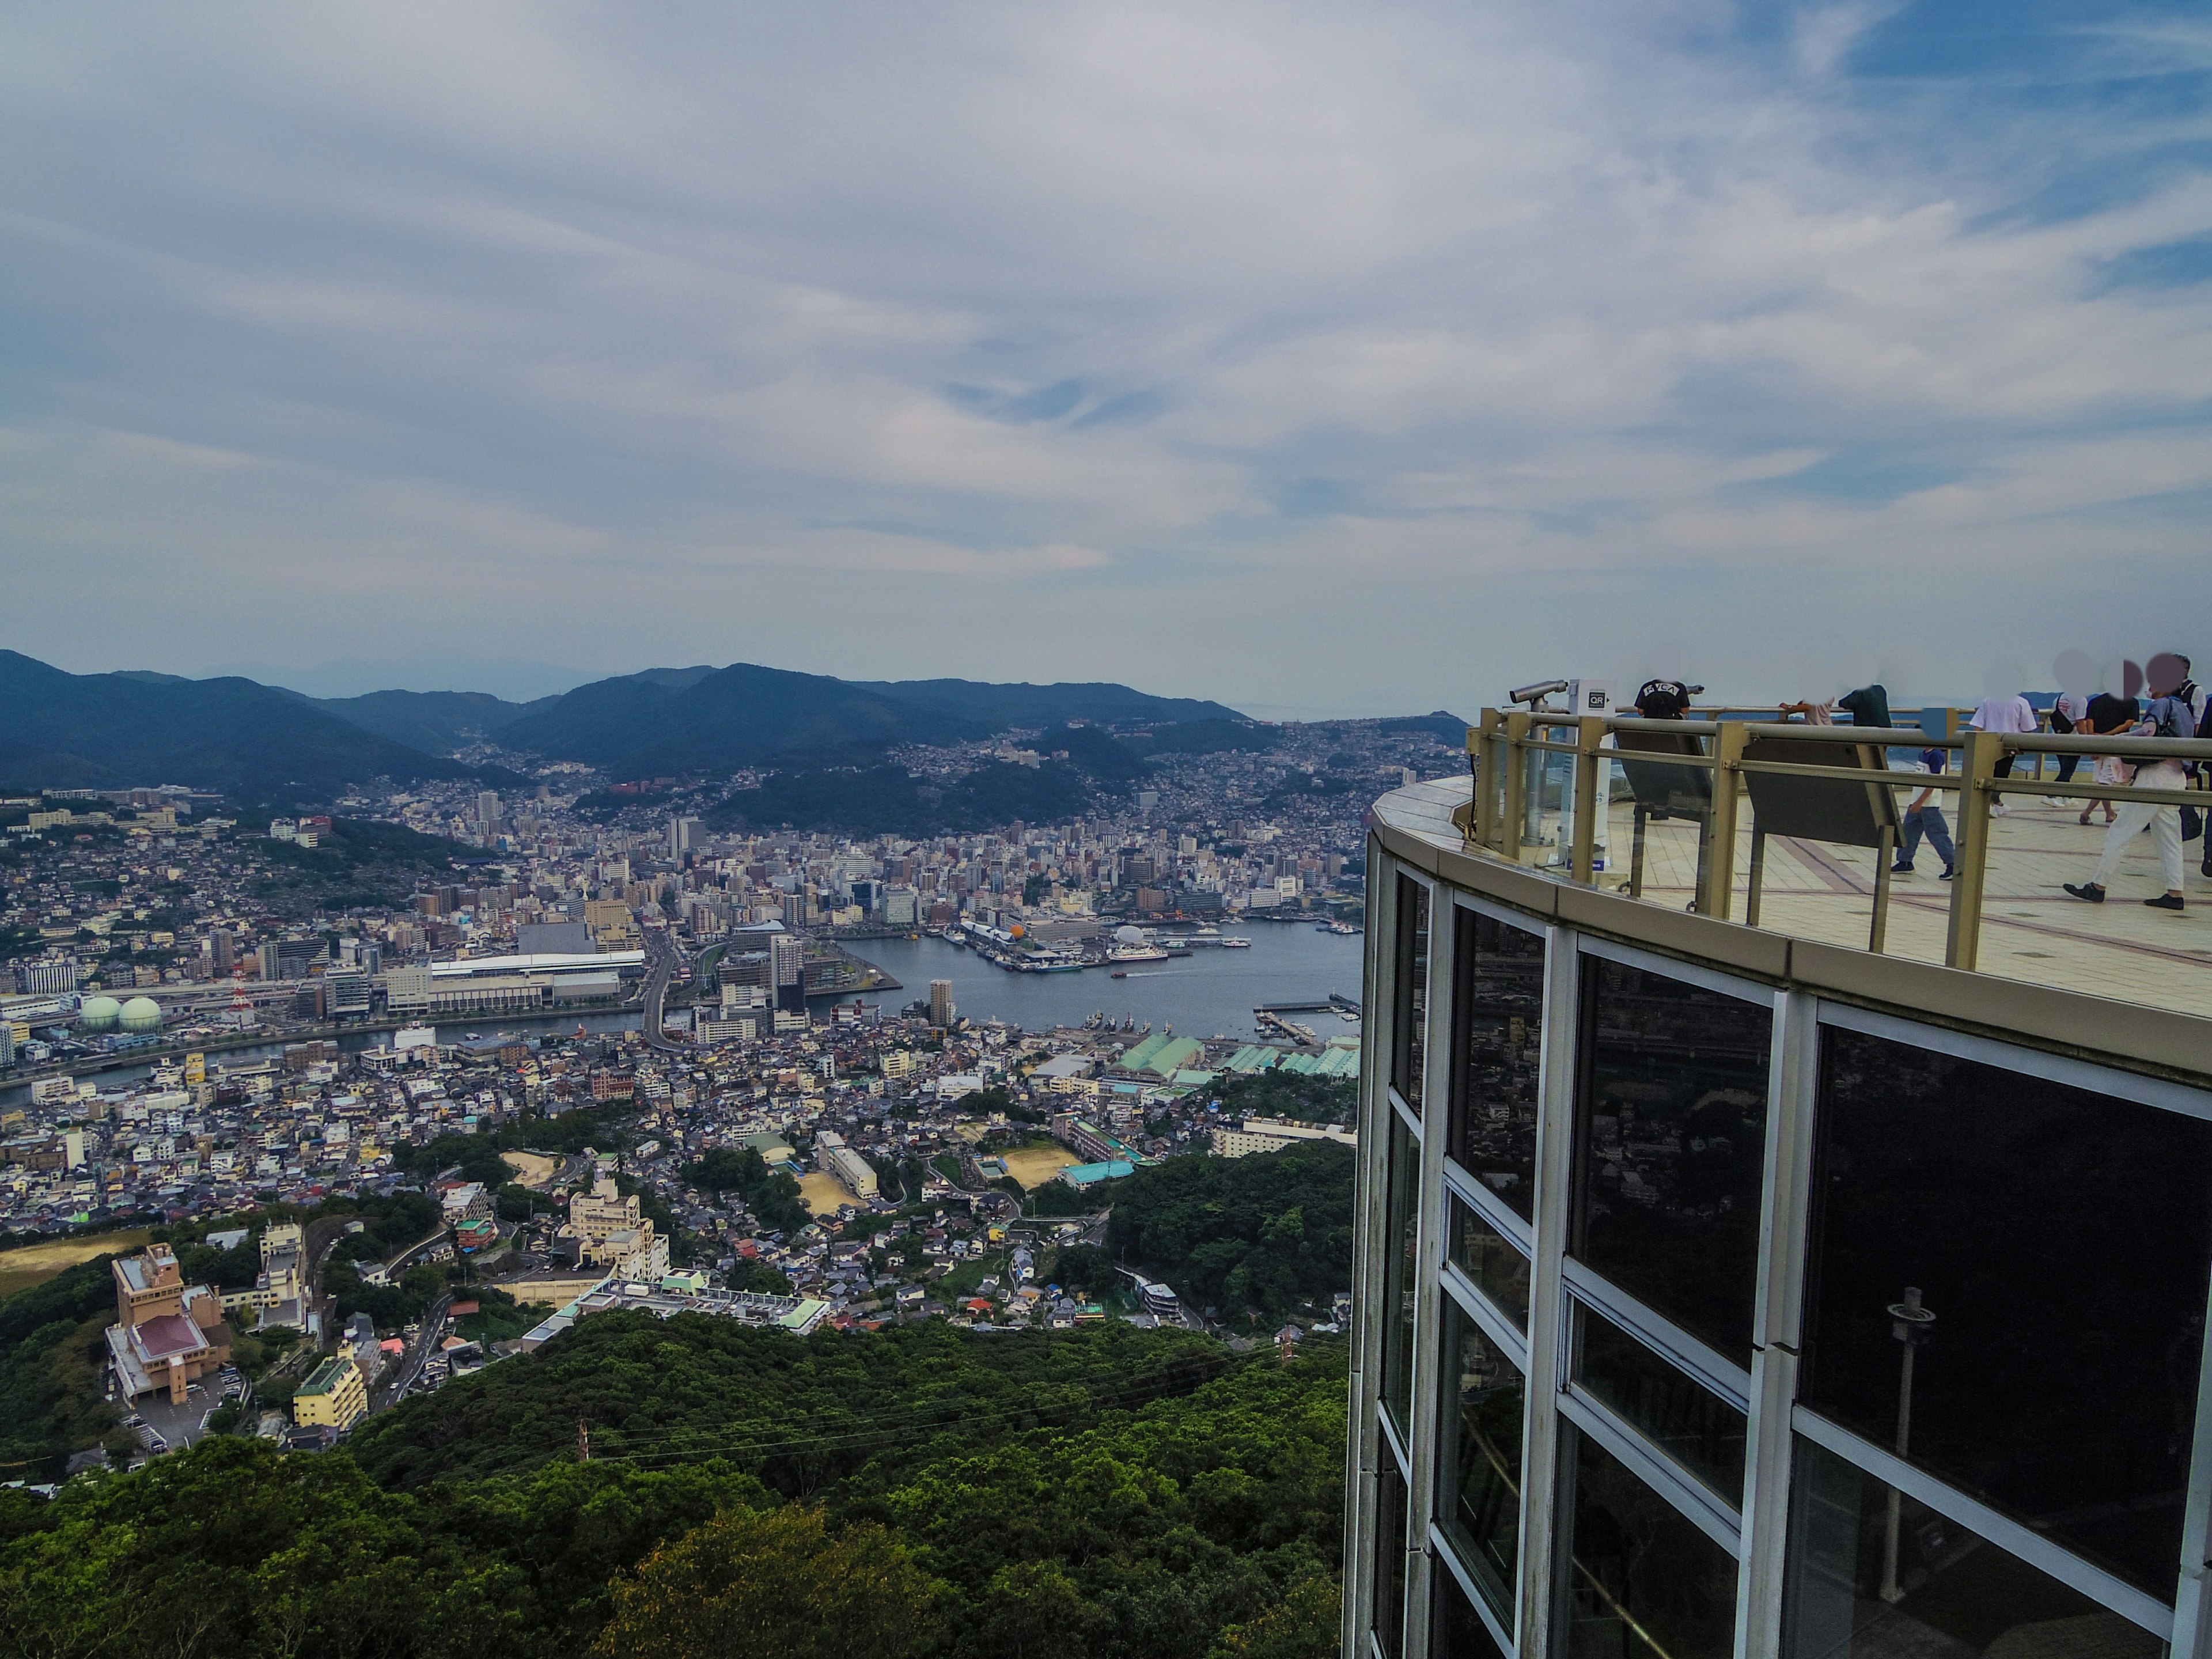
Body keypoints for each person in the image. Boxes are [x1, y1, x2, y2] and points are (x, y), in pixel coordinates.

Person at [2065, 665, 2196, 910]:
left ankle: (2098, 886)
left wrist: (2119, 741)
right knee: (2170, 838)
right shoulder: (2184, 710)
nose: (2149, 688)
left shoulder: (2160, 705)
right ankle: (2175, 892)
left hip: (2154, 776)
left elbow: (2149, 733)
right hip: (2177, 776)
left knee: (2121, 831)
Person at [1967, 683, 2037, 816]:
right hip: (2009, 744)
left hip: (1988, 743)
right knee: (2002, 775)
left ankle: (1996, 802)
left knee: (1987, 774)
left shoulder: (1988, 700)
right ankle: (1991, 804)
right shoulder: (2021, 702)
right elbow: (2028, 728)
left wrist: (1976, 745)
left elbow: (1978, 725)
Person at [1892, 747, 1955, 880]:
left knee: (1937, 834)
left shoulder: (1936, 755)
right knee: (1909, 831)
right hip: (1917, 802)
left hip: (1928, 804)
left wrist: (1920, 802)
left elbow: (1934, 782)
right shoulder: (1923, 753)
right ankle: (1905, 862)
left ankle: (1953, 864)